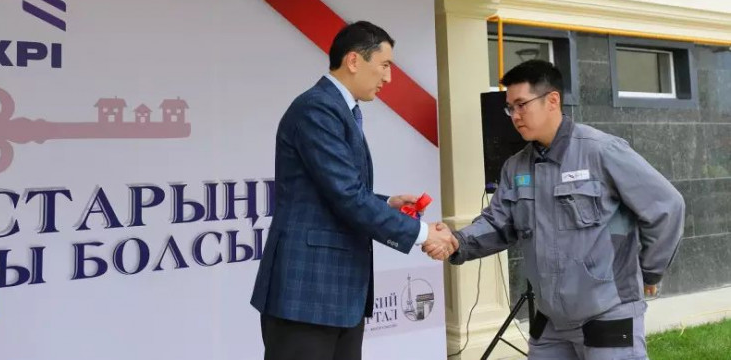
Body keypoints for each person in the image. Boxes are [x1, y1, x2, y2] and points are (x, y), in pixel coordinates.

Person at [426, 60, 684, 360]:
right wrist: (456, 241)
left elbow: (667, 206)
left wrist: (649, 272)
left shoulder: (601, 151)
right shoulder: (516, 167)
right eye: (510, 108)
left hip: (607, 312)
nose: (515, 116)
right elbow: (498, 224)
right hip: (550, 322)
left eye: (522, 105)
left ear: (552, 100)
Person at [251, 20, 456, 360]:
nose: (389, 77)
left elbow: (336, 192)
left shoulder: (339, 109)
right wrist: (423, 234)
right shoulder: (317, 108)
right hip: (307, 293)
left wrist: (387, 204)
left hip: (337, 295)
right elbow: (347, 196)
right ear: (354, 61)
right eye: (385, 65)